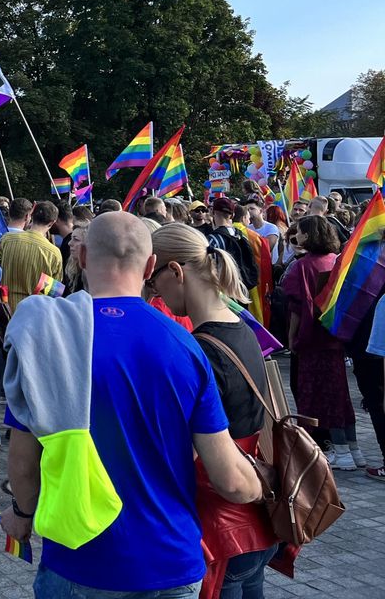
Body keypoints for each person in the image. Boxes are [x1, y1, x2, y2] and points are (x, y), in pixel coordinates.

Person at [0, 212, 262, 599]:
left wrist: (22, 514)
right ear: (151, 264)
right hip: (169, 561)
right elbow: (230, 480)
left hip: (80, 561)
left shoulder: (49, 341)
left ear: (83, 257)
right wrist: (262, 487)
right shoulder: (186, 345)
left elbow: (23, 462)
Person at [149, 224, 279, 599]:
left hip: (220, 527)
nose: (155, 293)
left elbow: (187, 452)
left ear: (175, 271)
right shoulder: (242, 327)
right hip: (257, 517)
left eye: (155, 282)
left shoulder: (199, 350)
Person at [282, 215, 360, 469]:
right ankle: (352, 449)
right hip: (335, 338)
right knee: (340, 392)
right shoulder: (336, 261)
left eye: (302, 232)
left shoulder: (303, 266)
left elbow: (296, 307)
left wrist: (292, 337)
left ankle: (336, 452)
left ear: (311, 235)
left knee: (314, 395)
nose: (298, 235)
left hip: (312, 338)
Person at [0, 201, 63, 314]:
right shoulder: (54, 253)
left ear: (31, 216)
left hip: (5, 309)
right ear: (52, 223)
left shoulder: (7, 239)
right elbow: (52, 294)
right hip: (34, 313)